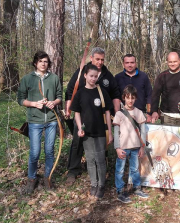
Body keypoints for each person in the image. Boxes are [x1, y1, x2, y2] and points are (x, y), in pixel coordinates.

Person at [64, 47, 121, 185]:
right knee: (78, 142)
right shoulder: (81, 72)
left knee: (102, 144)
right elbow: (71, 90)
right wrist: (68, 110)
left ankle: (101, 170)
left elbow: (115, 95)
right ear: (91, 58)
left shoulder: (108, 76)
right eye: (97, 59)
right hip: (83, 116)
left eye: (102, 59)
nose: (100, 62)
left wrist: (117, 114)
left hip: (101, 118)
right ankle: (73, 170)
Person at [17, 51, 62, 194]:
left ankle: (47, 178)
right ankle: (32, 179)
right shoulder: (27, 79)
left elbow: (60, 96)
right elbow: (20, 99)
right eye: (41, 61)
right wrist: (33, 104)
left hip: (51, 121)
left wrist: (53, 103)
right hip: (34, 121)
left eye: (46, 61)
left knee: (49, 151)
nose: (44, 64)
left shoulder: (54, 78)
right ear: (35, 63)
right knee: (35, 152)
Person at [69, 64, 113, 199]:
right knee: (90, 159)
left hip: (100, 132)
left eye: (96, 76)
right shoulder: (80, 93)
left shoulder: (101, 92)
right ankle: (93, 184)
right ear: (85, 76)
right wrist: (79, 128)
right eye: (91, 76)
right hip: (86, 133)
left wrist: (109, 132)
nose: (93, 79)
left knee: (100, 159)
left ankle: (101, 185)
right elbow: (76, 112)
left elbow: (107, 113)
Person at [113, 85, 149, 203]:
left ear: (136, 99)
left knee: (134, 169)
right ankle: (120, 191)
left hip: (135, 147)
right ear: (124, 98)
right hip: (123, 148)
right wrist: (117, 148)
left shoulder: (138, 113)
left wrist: (142, 147)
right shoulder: (119, 114)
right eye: (128, 98)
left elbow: (143, 131)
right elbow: (116, 132)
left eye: (132, 98)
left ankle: (137, 188)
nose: (130, 100)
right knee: (120, 170)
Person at [151, 52, 180, 126]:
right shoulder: (162, 76)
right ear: (167, 62)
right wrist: (154, 111)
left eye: (175, 61)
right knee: (168, 137)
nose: (172, 64)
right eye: (170, 62)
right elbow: (155, 95)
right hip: (166, 116)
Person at [115, 54, 152, 122]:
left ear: (135, 63)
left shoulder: (143, 77)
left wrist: (149, 113)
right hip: (124, 114)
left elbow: (149, 95)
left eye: (132, 62)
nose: (129, 65)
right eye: (127, 63)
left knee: (142, 132)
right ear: (123, 64)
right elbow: (115, 98)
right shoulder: (118, 77)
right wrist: (117, 113)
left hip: (141, 113)